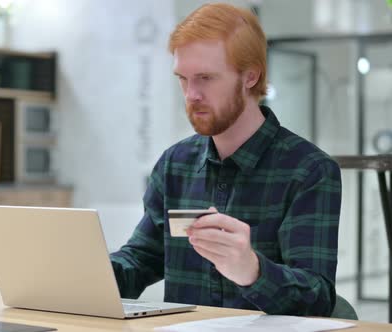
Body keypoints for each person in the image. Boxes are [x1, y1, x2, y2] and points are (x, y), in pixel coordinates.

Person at [110, 3, 341, 317]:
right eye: (183, 78)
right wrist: (83, 274)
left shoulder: (309, 171)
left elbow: (318, 298)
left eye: (205, 78)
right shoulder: (174, 164)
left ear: (250, 76)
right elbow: (140, 261)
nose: (191, 94)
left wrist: (253, 271)